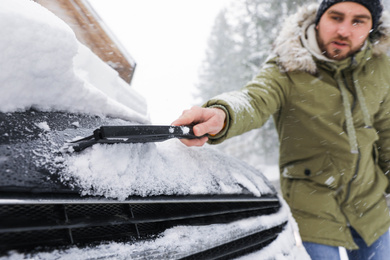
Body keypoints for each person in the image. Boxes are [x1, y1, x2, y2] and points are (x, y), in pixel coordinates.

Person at [172, 0, 390, 259]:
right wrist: (223, 113)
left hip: (372, 208)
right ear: (319, 19)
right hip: (312, 208)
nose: (344, 30)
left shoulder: (380, 67)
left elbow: (386, 130)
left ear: (372, 27)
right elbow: (254, 99)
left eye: (358, 21)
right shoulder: (287, 65)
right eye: (336, 17)